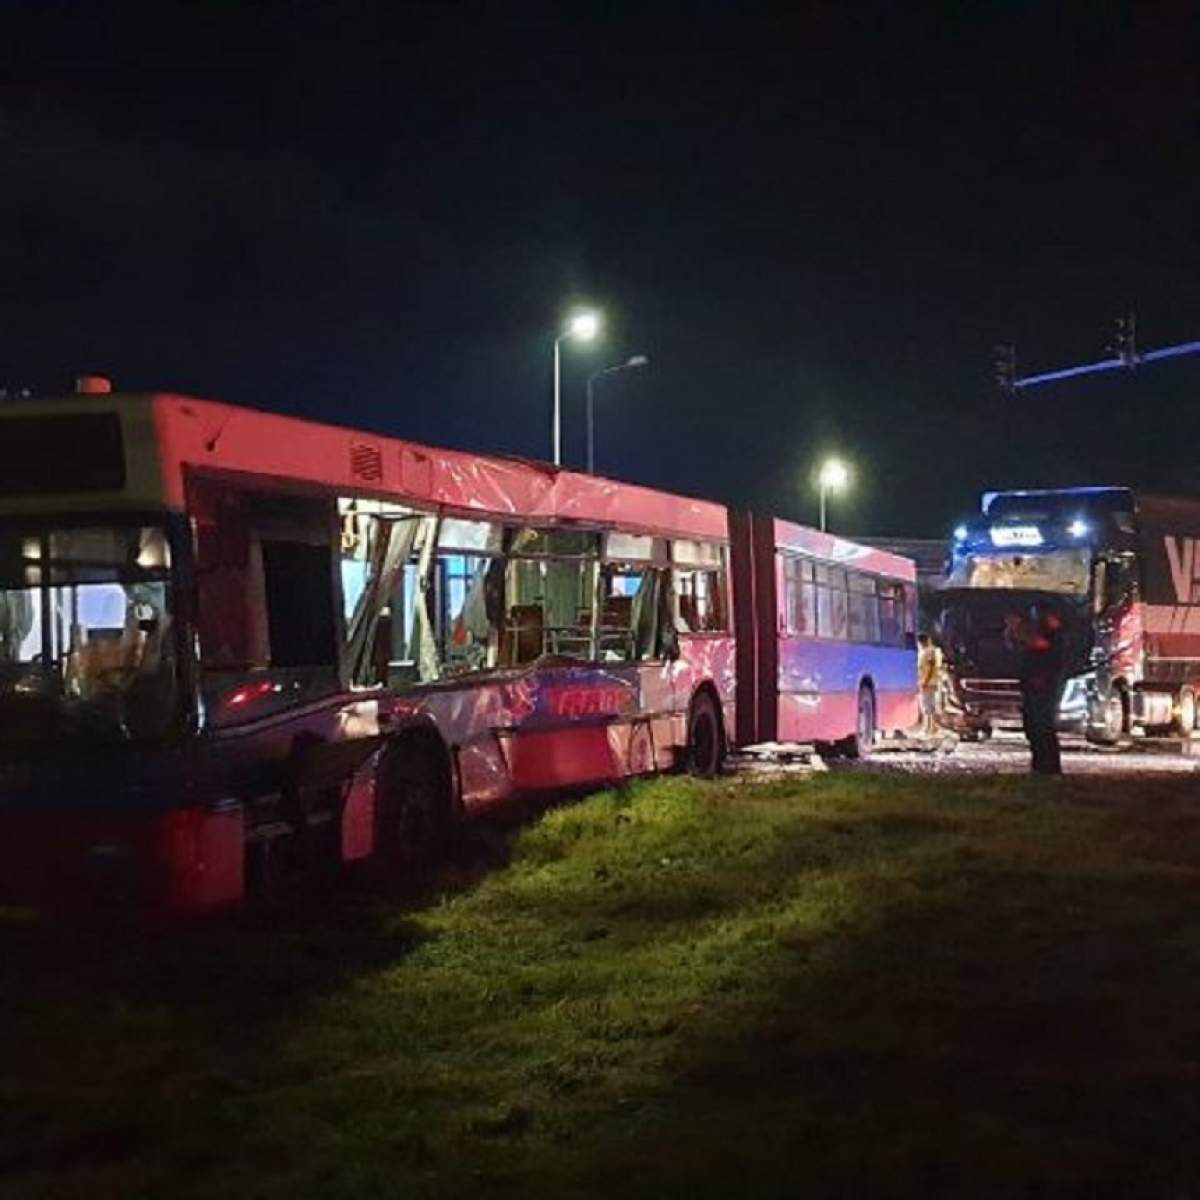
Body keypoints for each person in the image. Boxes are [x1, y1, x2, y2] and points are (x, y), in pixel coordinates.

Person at [1014, 606, 1065, 775]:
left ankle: (1049, 767)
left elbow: (1041, 646)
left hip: (1043, 687)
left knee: (1043, 726)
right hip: (1033, 685)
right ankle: (1040, 766)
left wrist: (1020, 631)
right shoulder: (1044, 632)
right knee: (1033, 726)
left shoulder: (1057, 637)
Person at [916, 632, 943, 736]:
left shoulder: (929, 651)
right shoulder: (925, 651)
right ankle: (929, 727)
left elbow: (931, 667)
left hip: (928, 682)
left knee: (928, 707)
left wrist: (925, 681)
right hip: (926, 681)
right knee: (927, 706)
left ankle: (930, 727)